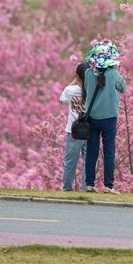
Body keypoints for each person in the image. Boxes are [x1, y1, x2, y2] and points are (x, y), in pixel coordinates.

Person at [82, 40, 127, 194]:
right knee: (109, 151)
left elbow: (87, 90)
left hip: (92, 117)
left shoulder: (88, 73)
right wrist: (115, 70)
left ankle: (89, 184)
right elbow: (123, 88)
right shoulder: (113, 73)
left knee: (92, 152)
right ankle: (109, 186)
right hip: (109, 117)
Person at [59, 63, 88, 191]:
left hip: (73, 131)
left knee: (70, 162)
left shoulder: (71, 91)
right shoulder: (93, 92)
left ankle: (67, 188)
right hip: (89, 130)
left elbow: (62, 98)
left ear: (78, 76)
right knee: (89, 163)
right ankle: (86, 188)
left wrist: (75, 79)